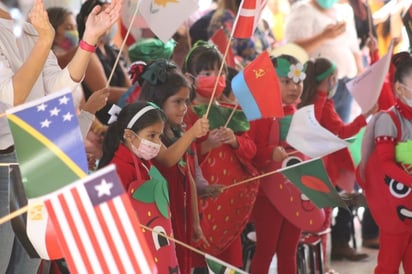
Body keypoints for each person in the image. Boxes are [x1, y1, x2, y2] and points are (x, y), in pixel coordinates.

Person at [0, 0, 120, 272]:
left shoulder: (29, 29)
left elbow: (57, 88)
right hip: (4, 160)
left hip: (38, 150)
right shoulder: (36, 33)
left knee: (30, 261)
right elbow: (13, 95)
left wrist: (89, 38)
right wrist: (45, 39)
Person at [183, 41, 259, 271]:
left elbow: (251, 150)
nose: (215, 78)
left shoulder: (233, 112)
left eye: (220, 72)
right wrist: (206, 145)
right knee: (202, 261)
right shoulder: (185, 115)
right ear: (190, 78)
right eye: (207, 73)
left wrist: (235, 141)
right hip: (202, 207)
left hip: (230, 204)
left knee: (232, 264)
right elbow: (181, 157)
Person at [249, 54, 325, 273]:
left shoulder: (300, 113)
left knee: (289, 249)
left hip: (295, 188)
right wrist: (270, 153)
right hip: (268, 193)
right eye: (286, 81)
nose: (294, 87)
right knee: (266, 248)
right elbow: (252, 152)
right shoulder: (260, 114)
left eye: (298, 81)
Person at [298, 57, 377, 265]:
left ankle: (332, 254)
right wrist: (364, 116)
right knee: (332, 213)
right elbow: (342, 132)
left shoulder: (309, 102)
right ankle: (329, 256)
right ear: (330, 79)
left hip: (320, 166)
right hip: (328, 168)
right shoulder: (322, 105)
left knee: (330, 212)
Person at [136, 59, 211, 274]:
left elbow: (189, 180)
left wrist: (195, 223)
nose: (184, 108)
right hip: (164, 217)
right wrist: (192, 134)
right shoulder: (150, 132)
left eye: (186, 102)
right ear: (159, 102)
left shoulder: (177, 132)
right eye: (177, 102)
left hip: (182, 215)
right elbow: (166, 159)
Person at [97, 101, 181, 273]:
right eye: (152, 136)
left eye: (159, 136)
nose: (157, 143)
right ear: (129, 135)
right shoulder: (118, 169)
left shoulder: (144, 163)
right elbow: (104, 218)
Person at [357, 51, 412, 274]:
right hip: (394, 209)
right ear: (400, 88)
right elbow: (386, 163)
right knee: (388, 266)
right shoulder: (388, 120)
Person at [76, 0, 131, 125]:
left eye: (112, 16)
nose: (110, 20)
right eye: (106, 15)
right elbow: (105, 93)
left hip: (121, 114)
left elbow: (127, 84)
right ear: (88, 20)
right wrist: (138, 93)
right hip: (101, 121)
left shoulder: (111, 49)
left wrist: (137, 92)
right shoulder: (85, 53)